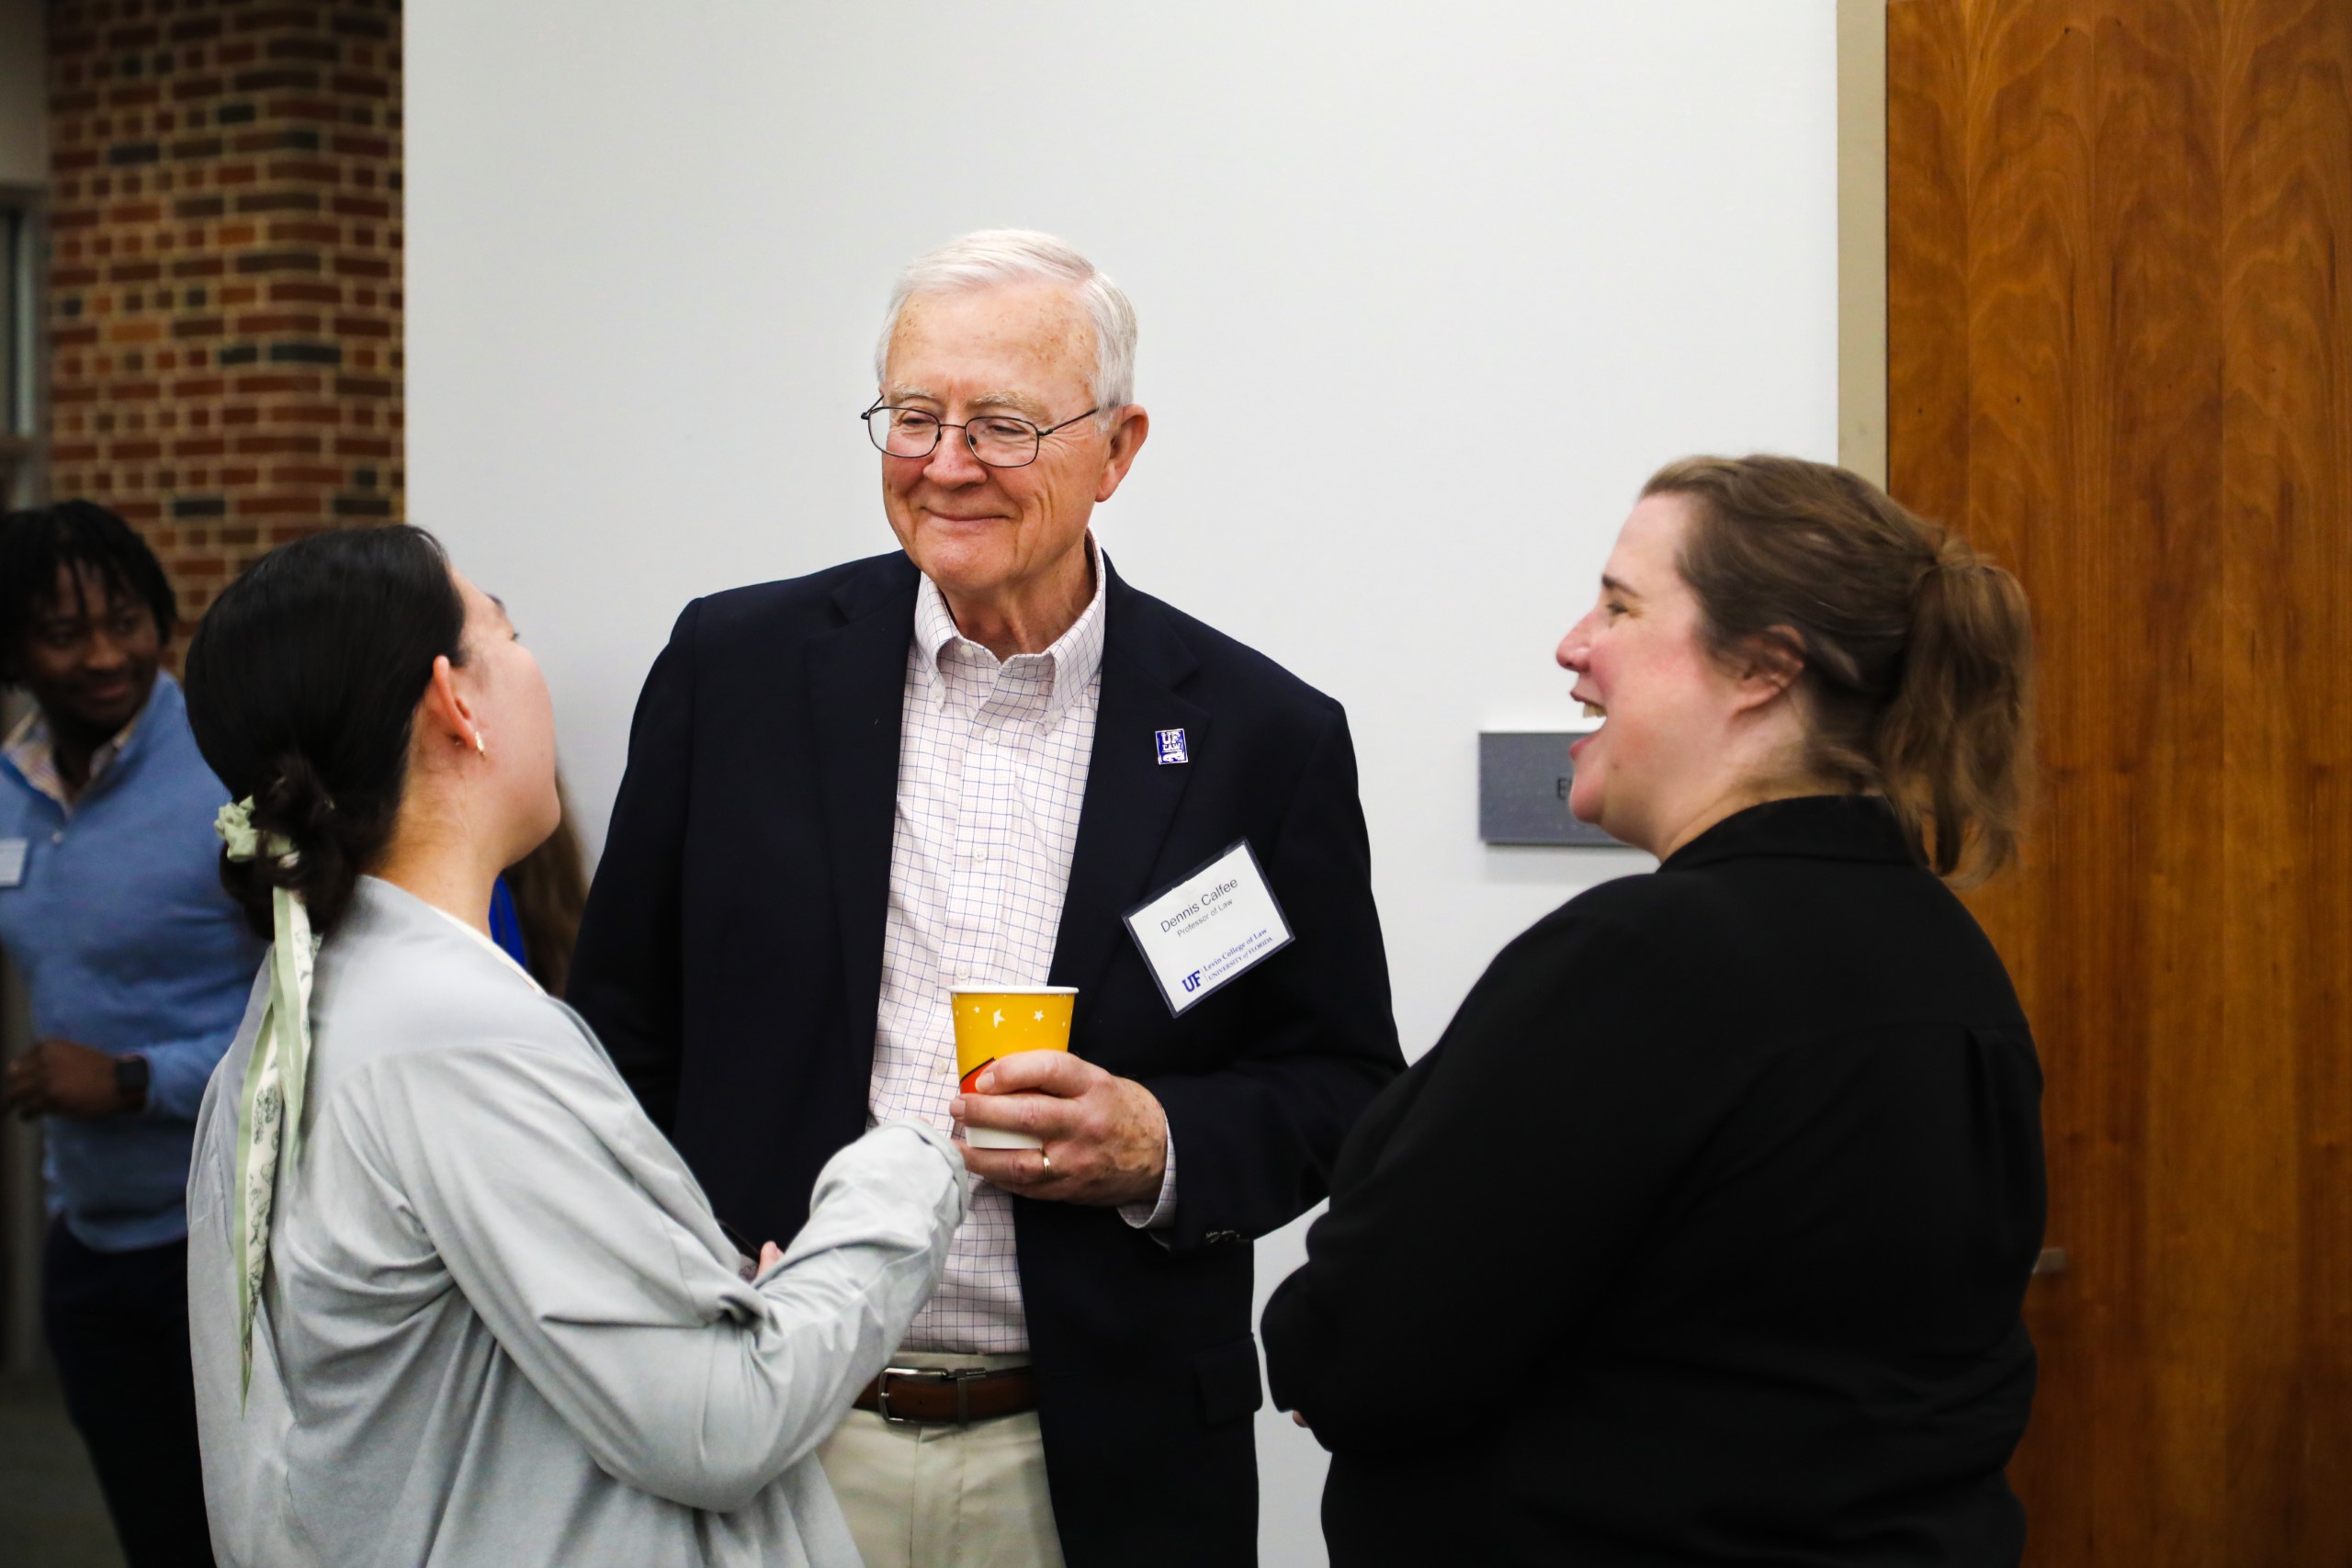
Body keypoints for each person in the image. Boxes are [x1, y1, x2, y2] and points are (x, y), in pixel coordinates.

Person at [571, 230, 1405, 1568]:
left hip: (1089, 1457)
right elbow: (613, 1037)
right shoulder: (736, 671)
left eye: (1004, 424)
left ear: (1119, 448)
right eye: (915, 415)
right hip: (769, 1430)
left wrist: (1159, 1142)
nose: (946, 462)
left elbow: (1347, 1082)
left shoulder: (1260, 735)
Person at [1262, 455, 2047, 1565]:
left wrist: (1310, 1335)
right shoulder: (1946, 959)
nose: (1573, 647)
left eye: (1621, 606)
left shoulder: (1648, 962)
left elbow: (1362, 1351)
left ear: (1763, 669)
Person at [178, 525, 967, 1568]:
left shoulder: (311, 1006)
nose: (528, 665)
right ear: (453, 702)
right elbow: (718, 1427)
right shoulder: (450, 1035)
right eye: (508, 633)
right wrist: (910, 1163)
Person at [0, 501, 262, 1568]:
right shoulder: (12, 791)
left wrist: (130, 1079)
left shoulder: (227, 777)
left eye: (127, 620)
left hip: (225, 1248)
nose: (105, 655)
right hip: (88, 1245)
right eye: (64, 633)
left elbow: (310, 1021)